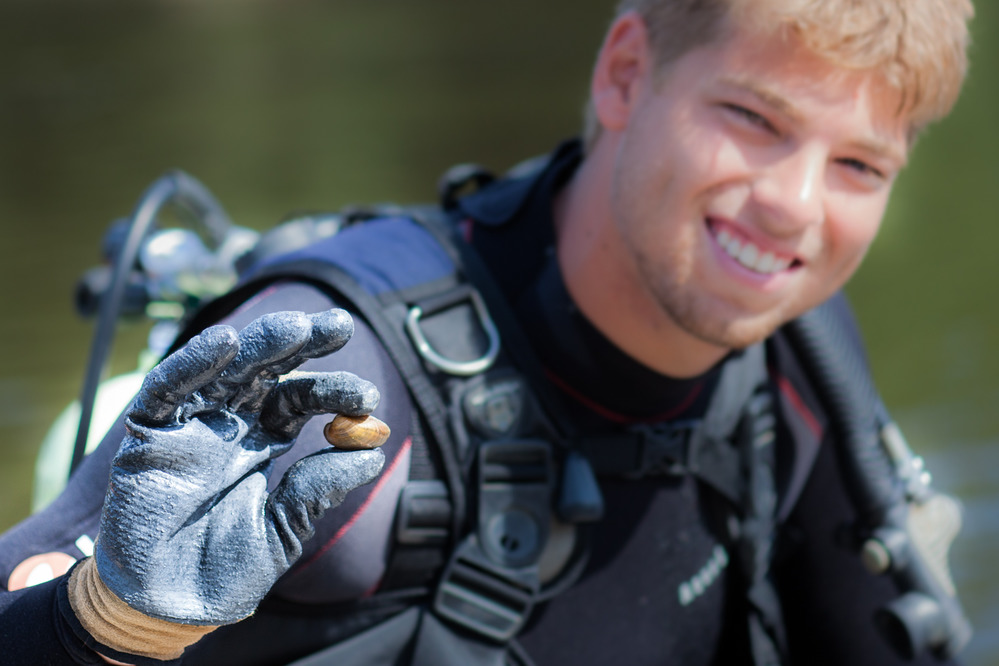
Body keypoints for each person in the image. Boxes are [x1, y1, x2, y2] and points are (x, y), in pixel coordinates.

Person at [0, 0, 976, 664]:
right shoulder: (338, 374)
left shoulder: (800, 356)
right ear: (627, 74)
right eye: (754, 119)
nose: (795, 210)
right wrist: (110, 620)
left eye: (859, 165)